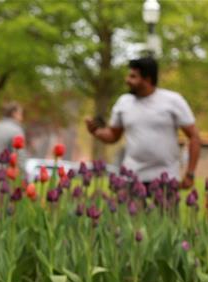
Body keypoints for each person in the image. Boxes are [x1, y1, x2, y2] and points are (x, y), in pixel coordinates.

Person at [86, 56, 200, 187]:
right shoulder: (124, 102)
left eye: (133, 76)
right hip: (131, 177)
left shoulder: (173, 101)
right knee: (128, 208)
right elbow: (113, 136)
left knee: (163, 209)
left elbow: (194, 137)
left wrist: (190, 173)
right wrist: (95, 131)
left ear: (147, 79)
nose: (127, 80)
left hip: (166, 179)